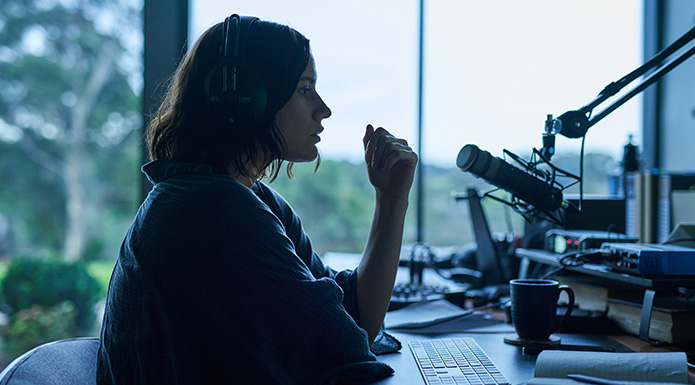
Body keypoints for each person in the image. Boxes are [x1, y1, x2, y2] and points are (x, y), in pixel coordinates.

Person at [96, 14, 417, 385]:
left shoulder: (248, 196)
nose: (323, 109)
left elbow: (354, 318)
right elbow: (347, 345)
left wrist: (392, 199)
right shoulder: (212, 212)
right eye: (303, 89)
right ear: (243, 99)